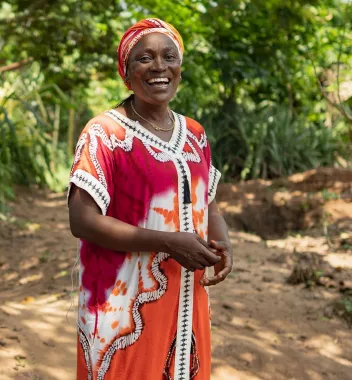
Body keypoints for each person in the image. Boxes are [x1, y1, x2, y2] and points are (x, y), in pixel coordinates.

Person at [67, 18, 232, 380]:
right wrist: (167, 242)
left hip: (187, 298)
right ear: (127, 73)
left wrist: (223, 244)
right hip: (122, 308)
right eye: (144, 58)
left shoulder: (194, 135)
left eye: (168, 56)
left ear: (179, 68)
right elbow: (82, 219)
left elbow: (209, 202)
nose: (159, 66)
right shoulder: (105, 133)